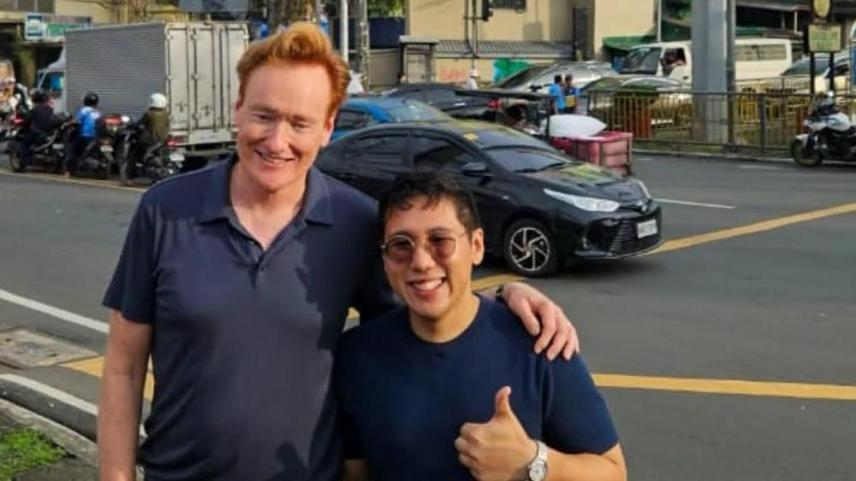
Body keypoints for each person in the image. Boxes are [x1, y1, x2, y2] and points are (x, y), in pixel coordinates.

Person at [98, 22, 579, 481]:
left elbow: (419, 311)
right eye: (264, 116)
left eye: (300, 123)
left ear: (327, 128)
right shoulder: (166, 210)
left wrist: (504, 296)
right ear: (238, 108)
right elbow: (123, 367)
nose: (277, 141)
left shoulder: (355, 222)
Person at [337, 173, 626, 481]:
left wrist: (532, 462)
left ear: (476, 246)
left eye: (440, 241)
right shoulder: (357, 355)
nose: (420, 261)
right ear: (384, 259)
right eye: (401, 245)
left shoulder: (539, 341)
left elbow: (613, 471)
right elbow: (356, 472)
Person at [21, 89, 62, 169]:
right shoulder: (50, 109)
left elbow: (27, 121)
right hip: (48, 133)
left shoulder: (35, 109)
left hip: (37, 132)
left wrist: (24, 125)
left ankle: (23, 163)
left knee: (24, 143)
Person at [66, 91, 101, 176]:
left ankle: (69, 171)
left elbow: (76, 120)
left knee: (73, 151)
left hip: (85, 135)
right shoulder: (97, 112)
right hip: (96, 136)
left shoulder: (84, 110)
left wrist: (68, 123)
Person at [133, 92, 170, 163]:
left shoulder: (149, 114)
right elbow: (167, 125)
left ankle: (140, 161)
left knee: (138, 144)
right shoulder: (165, 114)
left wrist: (135, 125)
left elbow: (140, 123)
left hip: (151, 139)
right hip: (163, 138)